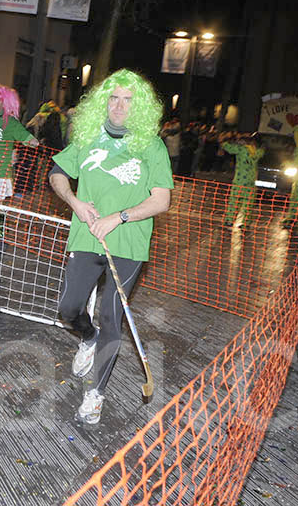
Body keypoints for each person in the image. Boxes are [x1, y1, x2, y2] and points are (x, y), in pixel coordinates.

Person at [49, 69, 173, 424]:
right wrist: (75, 202)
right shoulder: (89, 136)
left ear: (139, 107)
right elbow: (57, 172)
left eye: (127, 100)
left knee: (111, 316)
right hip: (87, 235)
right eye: (114, 98)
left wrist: (118, 217)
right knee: (68, 308)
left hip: (128, 243)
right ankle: (87, 338)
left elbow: (161, 200)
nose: (119, 106)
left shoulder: (151, 145)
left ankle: (96, 394)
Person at [222, 133, 264, 227]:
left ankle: (229, 220)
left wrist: (224, 140)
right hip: (251, 180)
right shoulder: (258, 152)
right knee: (248, 203)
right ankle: (246, 223)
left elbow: (228, 148)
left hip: (240, 180)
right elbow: (261, 150)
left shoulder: (242, 149)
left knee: (234, 200)